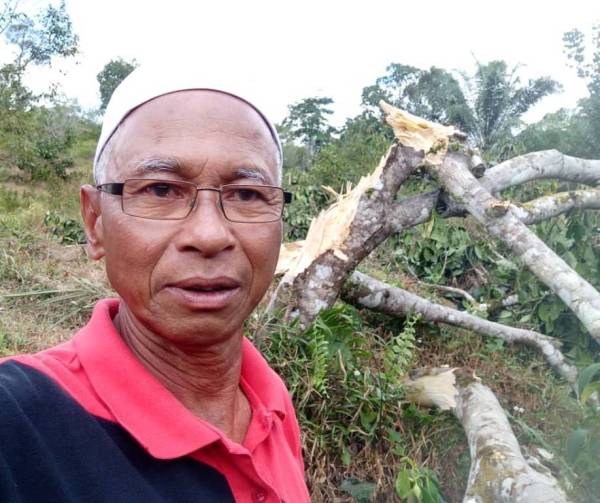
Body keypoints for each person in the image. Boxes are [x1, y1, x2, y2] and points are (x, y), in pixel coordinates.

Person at [0, 65, 310, 502]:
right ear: (96, 222)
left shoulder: (270, 403)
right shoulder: (20, 424)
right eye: (162, 190)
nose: (209, 235)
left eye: (246, 194)